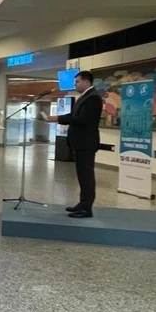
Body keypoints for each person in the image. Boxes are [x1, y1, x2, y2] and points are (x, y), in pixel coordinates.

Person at [44, 70, 103, 218]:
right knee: (82, 175)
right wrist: (57, 118)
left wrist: (59, 119)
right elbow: (73, 115)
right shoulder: (84, 97)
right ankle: (82, 203)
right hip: (80, 143)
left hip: (86, 143)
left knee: (86, 176)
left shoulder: (93, 98)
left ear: (86, 82)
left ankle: (87, 208)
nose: (75, 84)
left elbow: (82, 119)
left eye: (77, 82)